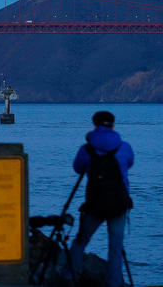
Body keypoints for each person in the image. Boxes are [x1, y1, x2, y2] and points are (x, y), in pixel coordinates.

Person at [68, 111, 133, 287]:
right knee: (115, 247)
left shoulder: (86, 149)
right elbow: (129, 163)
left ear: (95, 125)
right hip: (119, 203)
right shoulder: (124, 147)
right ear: (113, 125)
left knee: (81, 241)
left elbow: (78, 168)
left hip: (95, 203)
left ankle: (69, 277)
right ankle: (114, 283)